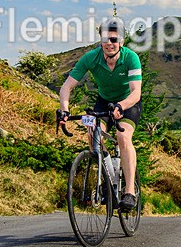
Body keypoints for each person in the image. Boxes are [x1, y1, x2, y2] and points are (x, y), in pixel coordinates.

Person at [58, 20, 142, 212]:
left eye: (114, 39)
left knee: (123, 136)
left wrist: (122, 105)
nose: (109, 43)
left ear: (121, 41)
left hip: (128, 102)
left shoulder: (131, 58)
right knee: (92, 134)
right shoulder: (91, 58)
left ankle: (129, 192)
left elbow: (136, 92)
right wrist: (64, 110)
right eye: (106, 39)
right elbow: (67, 86)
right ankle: (106, 175)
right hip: (104, 101)